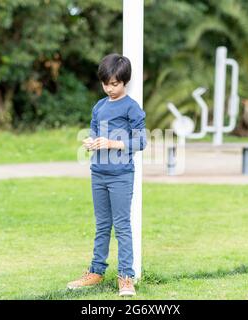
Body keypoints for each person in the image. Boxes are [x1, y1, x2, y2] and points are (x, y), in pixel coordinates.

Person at [67, 53, 147, 297]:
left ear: (125, 82)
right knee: (102, 226)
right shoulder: (99, 107)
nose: (110, 89)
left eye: (115, 84)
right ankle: (96, 271)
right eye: (106, 84)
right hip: (98, 173)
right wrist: (91, 142)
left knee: (122, 227)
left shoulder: (131, 107)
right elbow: (94, 131)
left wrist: (112, 143)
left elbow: (141, 140)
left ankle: (126, 278)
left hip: (121, 175)